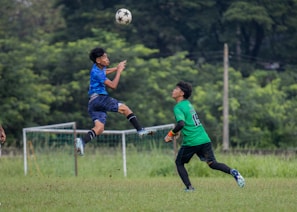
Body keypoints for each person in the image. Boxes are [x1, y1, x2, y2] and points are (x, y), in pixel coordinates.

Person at [164, 81, 245, 191]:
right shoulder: (188, 104)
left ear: (181, 93)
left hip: (192, 141)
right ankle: (233, 172)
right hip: (204, 139)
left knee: (179, 163)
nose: (173, 91)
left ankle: (189, 187)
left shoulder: (178, 107)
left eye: (176, 89)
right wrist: (177, 131)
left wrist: (170, 134)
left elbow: (181, 123)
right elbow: (186, 123)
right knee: (212, 163)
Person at [76, 47, 154, 156]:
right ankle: (140, 130)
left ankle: (82, 141)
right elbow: (113, 86)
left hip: (93, 103)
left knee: (99, 128)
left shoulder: (97, 67)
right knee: (125, 109)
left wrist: (116, 68)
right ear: (98, 60)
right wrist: (119, 71)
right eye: (104, 57)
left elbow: (105, 71)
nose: (107, 59)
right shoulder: (97, 73)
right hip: (100, 98)